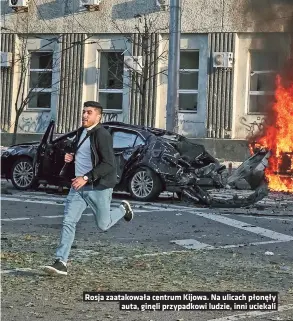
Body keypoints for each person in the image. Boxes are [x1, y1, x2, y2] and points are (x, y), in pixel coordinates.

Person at [44, 101, 133, 276]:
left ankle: (123, 209)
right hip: (78, 187)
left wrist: (86, 177)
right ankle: (61, 261)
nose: (84, 115)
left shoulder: (103, 135)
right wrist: (71, 156)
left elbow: (108, 164)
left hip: (98, 187)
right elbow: (80, 153)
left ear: (98, 117)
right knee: (68, 222)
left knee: (103, 225)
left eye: (89, 112)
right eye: (84, 111)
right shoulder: (81, 132)